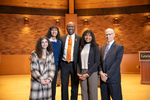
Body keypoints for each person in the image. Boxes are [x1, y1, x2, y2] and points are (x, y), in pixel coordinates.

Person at [99, 28, 124, 100]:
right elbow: (100, 62)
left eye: (110, 34)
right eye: (106, 35)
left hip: (113, 79)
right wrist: (101, 73)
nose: (108, 36)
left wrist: (107, 75)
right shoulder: (103, 47)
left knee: (116, 98)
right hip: (103, 79)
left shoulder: (119, 47)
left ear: (114, 35)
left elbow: (116, 63)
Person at [59, 22, 81, 100]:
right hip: (64, 64)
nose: (70, 28)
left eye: (72, 26)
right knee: (64, 84)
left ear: (75, 27)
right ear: (66, 28)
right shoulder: (61, 38)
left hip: (74, 65)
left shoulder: (79, 38)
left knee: (75, 84)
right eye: (68, 26)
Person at [77, 30, 100, 100]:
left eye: (90, 35)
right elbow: (78, 61)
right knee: (84, 92)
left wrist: (88, 74)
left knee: (92, 92)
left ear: (92, 37)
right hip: (82, 71)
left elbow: (97, 62)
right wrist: (78, 72)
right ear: (83, 37)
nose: (88, 37)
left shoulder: (95, 46)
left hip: (92, 71)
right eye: (86, 35)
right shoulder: (81, 47)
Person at [46, 25, 62, 100]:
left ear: (57, 32)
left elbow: (59, 56)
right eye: (52, 30)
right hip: (46, 66)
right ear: (50, 31)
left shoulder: (59, 43)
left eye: (56, 30)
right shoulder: (46, 41)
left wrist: (58, 69)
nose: (54, 32)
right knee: (46, 83)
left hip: (55, 66)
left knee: (53, 84)